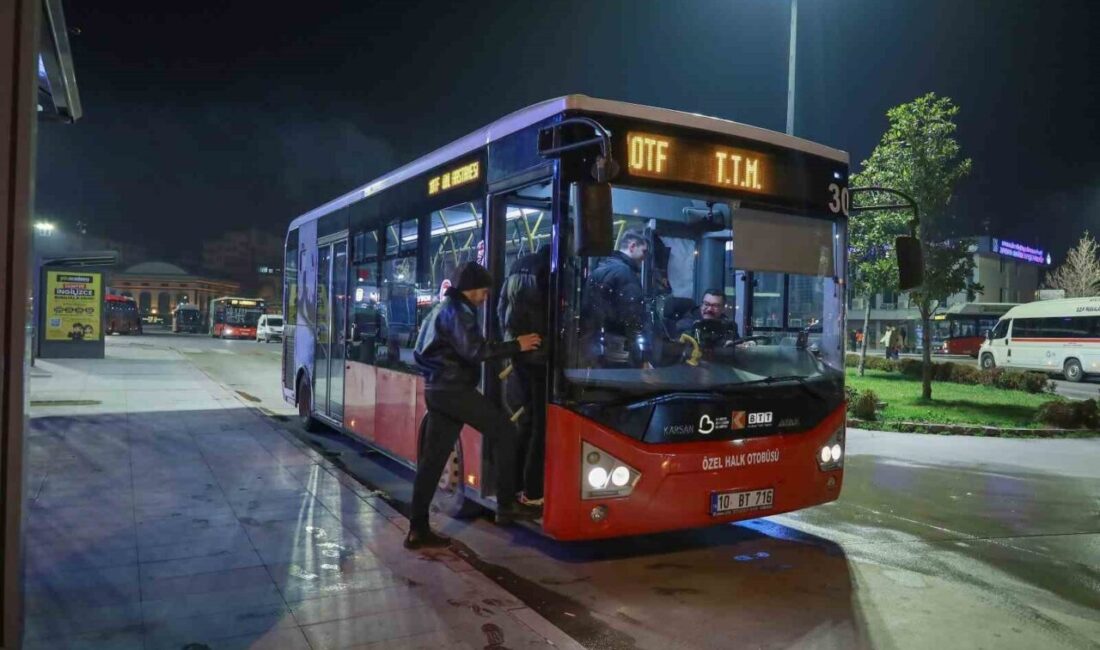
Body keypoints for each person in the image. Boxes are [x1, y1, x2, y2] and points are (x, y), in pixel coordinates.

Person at [407, 262, 542, 550]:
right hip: (454, 391)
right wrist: (516, 345)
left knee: (432, 462)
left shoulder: (439, 310)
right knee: (505, 431)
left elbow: (421, 353)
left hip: (438, 389)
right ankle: (506, 505)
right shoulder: (459, 312)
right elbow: (476, 351)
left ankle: (417, 530)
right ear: (470, 290)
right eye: (483, 291)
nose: (484, 297)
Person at [498, 244, 551, 507]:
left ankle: (514, 485)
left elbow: (501, 310)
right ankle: (533, 490)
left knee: (527, 420)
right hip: (540, 352)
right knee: (541, 423)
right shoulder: (549, 269)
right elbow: (554, 314)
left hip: (519, 351)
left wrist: (512, 343)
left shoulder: (518, 266)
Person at [584, 230, 648, 361]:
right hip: (618, 348)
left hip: (594, 343)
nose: (644, 257)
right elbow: (633, 316)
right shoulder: (626, 274)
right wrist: (640, 354)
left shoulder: (599, 270)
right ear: (632, 246)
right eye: (644, 251)